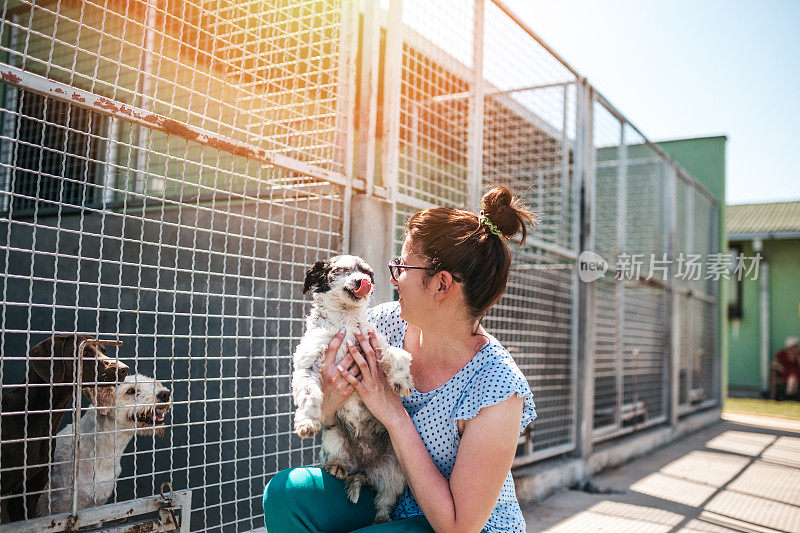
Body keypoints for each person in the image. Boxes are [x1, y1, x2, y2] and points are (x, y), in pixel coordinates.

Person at [263, 186, 537, 532]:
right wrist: (329, 400)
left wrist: (393, 414)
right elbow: (334, 413)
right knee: (288, 496)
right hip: (387, 493)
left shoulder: (497, 387)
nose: (393, 278)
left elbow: (458, 525)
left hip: (455, 525)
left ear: (441, 285)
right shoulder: (384, 322)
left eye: (402, 266)